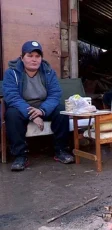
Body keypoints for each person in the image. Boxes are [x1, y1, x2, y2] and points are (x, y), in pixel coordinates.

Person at [3, 41, 74, 171]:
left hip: (43, 106)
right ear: (22, 57)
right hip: (22, 106)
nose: (34, 60)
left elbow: (55, 94)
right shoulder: (11, 73)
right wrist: (32, 114)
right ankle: (20, 156)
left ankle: (61, 150)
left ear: (41, 58)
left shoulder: (48, 72)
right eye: (30, 56)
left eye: (37, 56)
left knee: (62, 111)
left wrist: (41, 111)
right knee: (11, 114)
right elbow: (12, 97)